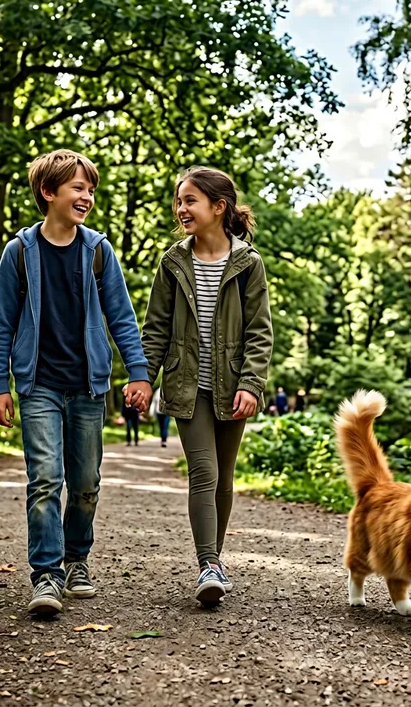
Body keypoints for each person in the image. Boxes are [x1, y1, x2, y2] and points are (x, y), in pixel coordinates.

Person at [0, 149, 152, 616]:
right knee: (44, 479)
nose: (87, 197)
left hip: (87, 386)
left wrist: (137, 371)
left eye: (91, 190)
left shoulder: (98, 251)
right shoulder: (19, 253)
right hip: (37, 383)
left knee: (85, 482)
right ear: (49, 192)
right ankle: (46, 574)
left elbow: (121, 318)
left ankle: (77, 559)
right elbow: (1, 323)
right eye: (78, 188)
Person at [138, 165, 273, 605]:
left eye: (190, 200)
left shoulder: (248, 263)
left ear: (219, 207)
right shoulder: (173, 261)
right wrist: (143, 378)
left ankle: (214, 559)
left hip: (232, 386)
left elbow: (260, 331)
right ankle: (208, 564)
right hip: (186, 384)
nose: (181, 208)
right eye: (179, 201)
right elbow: (155, 327)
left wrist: (251, 385)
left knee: (224, 480)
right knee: (204, 471)